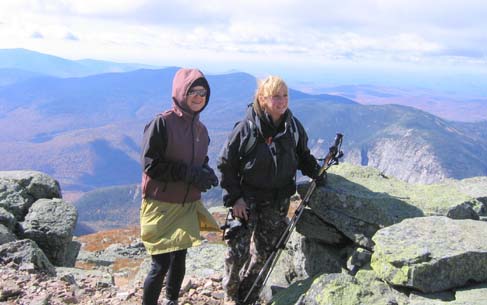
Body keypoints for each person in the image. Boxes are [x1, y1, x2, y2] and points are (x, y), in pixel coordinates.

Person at [218, 75, 323, 305]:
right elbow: (226, 164)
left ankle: (249, 294)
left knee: (267, 252)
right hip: (247, 200)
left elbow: (303, 156)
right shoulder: (246, 128)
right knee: (238, 253)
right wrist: (235, 199)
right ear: (263, 99)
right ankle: (230, 296)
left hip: (277, 202)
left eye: (285, 95)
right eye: (276, 96)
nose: (282, 101)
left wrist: (317, 171)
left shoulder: (292, 127)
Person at [140, 68, 220, 305]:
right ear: (180, 92)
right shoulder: (162, 123)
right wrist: (188, 174)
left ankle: (171, 300)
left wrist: (206, 172)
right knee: (160, 263)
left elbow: (199, 160)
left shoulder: (201, 130)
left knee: (180, 256)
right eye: (193, 91)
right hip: (160, 204)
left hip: (187, 203)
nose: (198, 97)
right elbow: (150, 164)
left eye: (203, 93)